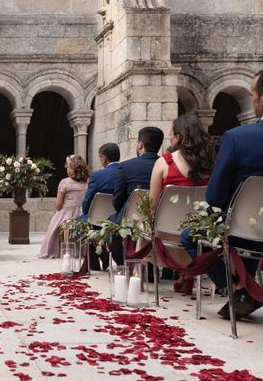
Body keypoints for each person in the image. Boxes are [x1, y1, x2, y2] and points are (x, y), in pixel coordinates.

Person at [181, 70, 263, 319]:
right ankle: (244, 291)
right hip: (247, 234)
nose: (252, 100)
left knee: (190, 236)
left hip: (243, 231)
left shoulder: (238, 138)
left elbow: (215, 196)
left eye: (252, 95)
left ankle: (238, 287)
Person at [148, 114, 215, 293]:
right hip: (197, 232)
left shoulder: (164, 163)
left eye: (171, 133)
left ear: (178, 137)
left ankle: (138, 279)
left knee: (140, 223)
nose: (169, 137)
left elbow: (152, 205)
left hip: (166, 230)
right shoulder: (211, 164)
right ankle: (187, 274)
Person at [110, 126, 164, 266]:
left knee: (111, 226)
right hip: (161, 219)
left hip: (129, 219)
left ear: (140, 144)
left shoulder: (127, 166)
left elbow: (117, 199)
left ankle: (124, 264)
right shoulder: (166, 166)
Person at [38, 155, 89, 259]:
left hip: (67, 215)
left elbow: (58, 205)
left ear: (72, 169)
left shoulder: (65, 182)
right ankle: (82, 251)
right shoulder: (88, 181)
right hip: (83, 214)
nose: (66, 169)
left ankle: (58, 250)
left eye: (68, 167)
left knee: (56, 221)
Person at [79, 143, 120, 270]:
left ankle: (93, 260)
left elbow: (87, 203)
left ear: (104, 159)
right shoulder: (126, 171)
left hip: (97, 220)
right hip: (120, 218)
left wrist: (86, 211)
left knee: (81, 221)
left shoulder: (97, 176)